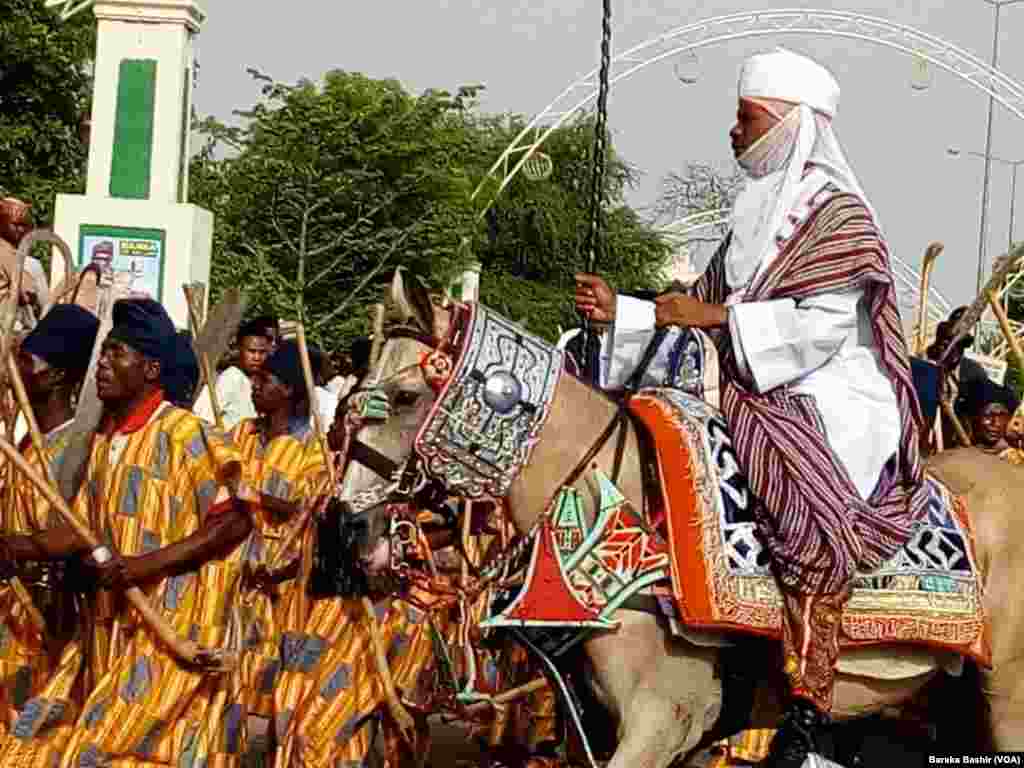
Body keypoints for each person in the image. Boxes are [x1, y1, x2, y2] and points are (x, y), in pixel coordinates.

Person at [574, 48, 927, 767]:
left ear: (791, 126)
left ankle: (813, 706)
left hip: (823, 392)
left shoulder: (838, 214)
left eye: (747, 119)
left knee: (796, 500)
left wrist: (708, 319)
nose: (733, 131)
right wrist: (626, 310)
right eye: (736, 117)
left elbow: (823, 326)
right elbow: (701, 302)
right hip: (745, 377)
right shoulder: (751, 213)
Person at [0, 298, 254, 767]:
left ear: (151, 368)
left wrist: (141, 566)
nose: (103, 363)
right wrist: (16, 546)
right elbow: (80, 530)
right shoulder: (105, 443)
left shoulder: (184, 432)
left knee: (93, 748)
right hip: (115, 625)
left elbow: (236, 519)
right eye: (104, 353)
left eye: (118, 354)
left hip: (175, 624)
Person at [0, 305, 99, 734]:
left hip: (52, 626)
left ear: (57, 376)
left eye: (26, 359)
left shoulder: (78, 450)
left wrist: (13, 548)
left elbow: (81, 533)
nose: (14, 367)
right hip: (13, 622)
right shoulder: (24, 442)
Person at [229, 340, 325, 757]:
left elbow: (308, 511)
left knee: (275, 678)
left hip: (283, 579)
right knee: (233, 675)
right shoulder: (239, 434)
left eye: (265, 380)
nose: (255, 385)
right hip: (235, 572)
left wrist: (257, 496)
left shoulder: (311, 446)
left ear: (287, 390)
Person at [195, 315, 278, 428]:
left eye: (262, 352)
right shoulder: (231, 377)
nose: (257, 357)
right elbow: (203, 417)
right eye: (251, 351)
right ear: (239, 349)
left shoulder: (265, 380)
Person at [926, 306, 991, 449]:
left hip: (956, 443)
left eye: (959, 347)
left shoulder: (974, 373)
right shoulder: (924, 367)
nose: (953, 352)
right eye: (947, 343)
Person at [0, 197, 49, 321]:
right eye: (15, 224)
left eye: (24, 225)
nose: (20, 230)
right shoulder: (6, 252)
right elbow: (30, 296)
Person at [956, 377, 1024, 464]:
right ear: (976, 417)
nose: (995, 423)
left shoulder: (1014, 459)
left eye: (1001, 416)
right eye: (988, 415)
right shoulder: (960, 455)